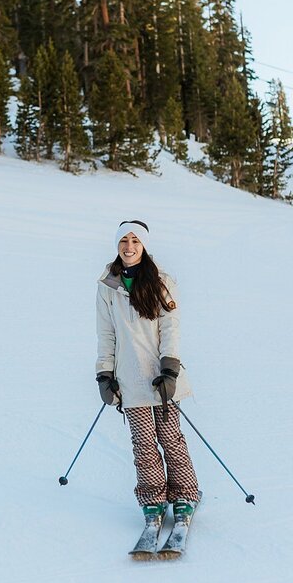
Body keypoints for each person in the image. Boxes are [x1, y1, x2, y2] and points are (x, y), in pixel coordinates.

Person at [96, 220, 200, 529]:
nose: (129, 247)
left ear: (144, 246)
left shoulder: (162, 281)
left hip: (160, 376)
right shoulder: (107, 285)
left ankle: (185, 494)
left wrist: (170, 369)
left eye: (135, 241)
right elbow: (106, 334)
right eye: (124, 241)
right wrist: (105, 375)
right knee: (143, 442)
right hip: (129, 379)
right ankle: (153, 499)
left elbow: (170, 327)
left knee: (170, 439)